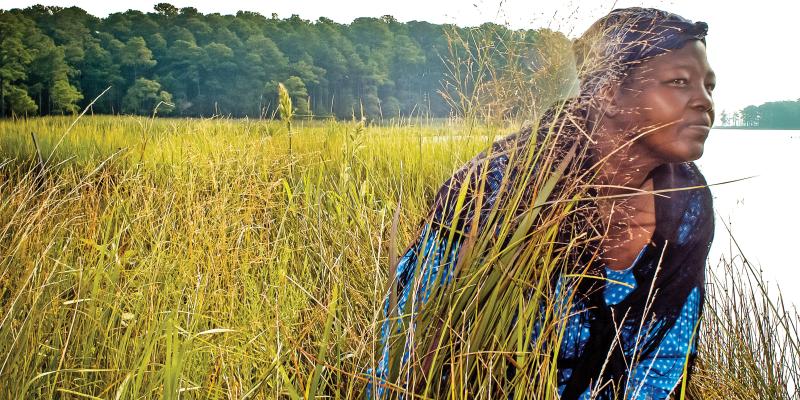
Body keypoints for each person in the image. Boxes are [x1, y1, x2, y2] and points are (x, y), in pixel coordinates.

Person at [370, 7, 716, 399]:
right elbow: (405, 351)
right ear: (608, 93)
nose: (703, 101)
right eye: (678, 82)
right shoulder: (497, 188)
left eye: (709, 86)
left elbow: (665, 359)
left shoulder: (687, 203)